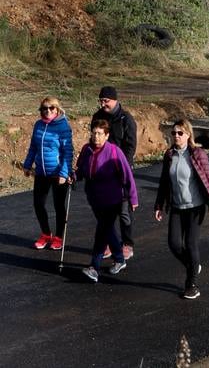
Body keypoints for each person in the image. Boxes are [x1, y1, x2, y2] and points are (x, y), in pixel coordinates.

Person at [154, 119, 209, 300]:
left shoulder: (197, 154)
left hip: (195, 207)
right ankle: (192, 265)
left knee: (191, 245)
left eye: (180, 133)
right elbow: (164, 183)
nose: (176, 136)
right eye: (174, 133)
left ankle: (191, 285)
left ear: (188, 135)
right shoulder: (169, 155)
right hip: (176, 206)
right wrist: (159, 205)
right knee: (174, 244)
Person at [75, 118, 139, 282]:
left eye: (100, 134)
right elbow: (81, 170)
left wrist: (133, 197)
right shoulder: (86, 150)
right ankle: (119, 259)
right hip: (95, 199)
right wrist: (73, 177)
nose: (96, 137)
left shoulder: (114, 152)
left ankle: (94, 267)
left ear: (107, 135)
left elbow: (127, 176)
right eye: (94, 133)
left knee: (102, 231)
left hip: (113, 199)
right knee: (108, 230)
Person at [92, 85, 137, 260]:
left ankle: (127, 244)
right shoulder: (97, 117)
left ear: (115, 100)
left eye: (106, 101)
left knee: (124, 212)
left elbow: (130, 146)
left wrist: (121, 165)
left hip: (122, 169)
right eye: (101, 101)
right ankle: (110, 243)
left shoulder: (126, 119)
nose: (103, 104)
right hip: (102, 172)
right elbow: (94, 140)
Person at [23, 96, 73, 250]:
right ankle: (46, 234)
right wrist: (27, 164)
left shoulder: (63, 126)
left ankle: (58, 237)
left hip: (58, 174)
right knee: (38, 204)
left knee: (59, 206)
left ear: (57, 109)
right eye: (44, 108)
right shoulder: (38, 125)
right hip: (41, 172)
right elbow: (33, 147)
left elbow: (68, 152)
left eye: (51, 108)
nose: (48, 111)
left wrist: (64, 174)